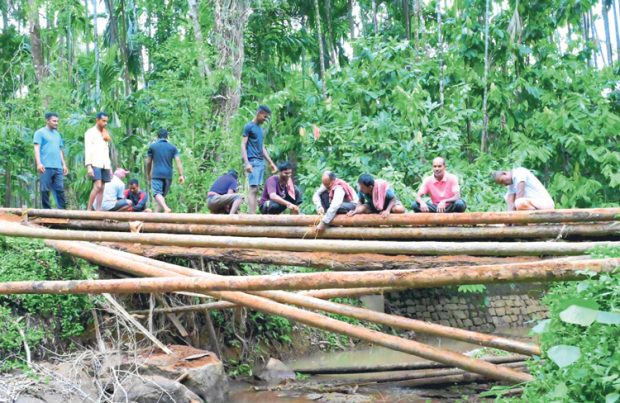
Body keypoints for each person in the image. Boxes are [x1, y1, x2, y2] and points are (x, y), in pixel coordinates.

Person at [241, 105, 278, 214]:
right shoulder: (249, 126)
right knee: (253, 189)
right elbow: (243, 145)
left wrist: (270, 162)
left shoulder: (260, 130)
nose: (265, 119)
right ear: (259, 113)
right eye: (264, 117)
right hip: (252, 161)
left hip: (260, 161)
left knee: (256, 189)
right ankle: (251, 216)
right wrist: (247, 163)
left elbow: (261, 147)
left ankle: (253, 214)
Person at [33, 112, 68, 209]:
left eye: (57, 121)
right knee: (45, 189)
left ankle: (62, 211)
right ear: (47, 121)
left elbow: (60, 150)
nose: (56, 123)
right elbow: (36, 148)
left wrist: (64, 164)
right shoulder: (40, 133)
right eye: (54, 121)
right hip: (45, 166)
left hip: (58, 167)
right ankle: (47, 211)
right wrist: (39, 163)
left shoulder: (58, 134)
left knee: (60, 189)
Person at [146, 128, 185, 213]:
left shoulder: (153, 147)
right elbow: (178, 161)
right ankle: (156, 217)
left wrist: (148, 173)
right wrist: (181, 175)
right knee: (161, 197)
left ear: (157, 136)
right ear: (167, 137)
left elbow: (148, 162)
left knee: (157, 193)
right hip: (168, 175)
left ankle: (166, 208)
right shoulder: (172, 147)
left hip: (156, 174)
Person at [85, 112, 113, 211]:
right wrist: (89, 166)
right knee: (97, 186)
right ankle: (89, 209)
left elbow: (106, 151)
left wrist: (110, 168)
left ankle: (98, 210)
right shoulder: (90, 132)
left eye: (106, 121)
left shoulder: (105, 133)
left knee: (102, 187)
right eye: (103, 121)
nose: (105, 123)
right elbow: (88, 149)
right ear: (97, 120)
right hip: (95, 163)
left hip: (105, 164)